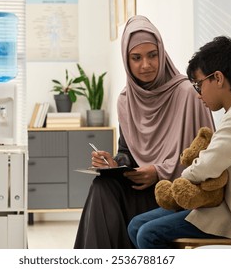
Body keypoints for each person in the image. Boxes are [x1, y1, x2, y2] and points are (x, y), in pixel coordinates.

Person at [73, 15, 214, 249]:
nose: (145, 65)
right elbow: (127, 152)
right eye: (136, 58)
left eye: (152, 55)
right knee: (102, 186)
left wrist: (159, 172)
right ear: (126, 61)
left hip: (176, 193)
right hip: (141, 190)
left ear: (162, 52)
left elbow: (207, 156)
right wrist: (114, 163)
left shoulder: (187, 93)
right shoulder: (126, 100)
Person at [127, 35, 231, 249]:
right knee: (136, 225)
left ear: (217, 78)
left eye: (199, 85)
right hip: (226, 208)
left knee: (147, 234)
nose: (198, 94)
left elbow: (204, 167)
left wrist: (178, 185)